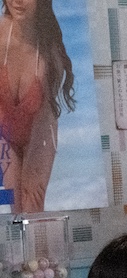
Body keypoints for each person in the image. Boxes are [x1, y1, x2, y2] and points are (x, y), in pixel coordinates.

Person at [0, 0, 74, 212]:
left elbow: (45, 116)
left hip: (40, 131)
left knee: (32, 203)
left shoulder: (50, 53)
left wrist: (32, 167)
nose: (17, 1)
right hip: (4, 132)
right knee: (16, 208)